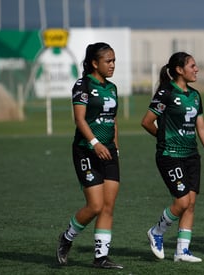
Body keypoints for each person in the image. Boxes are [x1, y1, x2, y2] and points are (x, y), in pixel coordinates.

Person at [141, 52, 204, 263]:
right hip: (170, 155)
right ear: (179, 70)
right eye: (192, 65)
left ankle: (182, 251)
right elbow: (147, 121)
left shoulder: (195, 95)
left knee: (191, 203)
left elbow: (201, 127)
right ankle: (157, 231)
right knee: (182, 201)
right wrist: (163, 137)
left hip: (192, 156)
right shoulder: (166, 92)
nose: (197, 69)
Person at [56, 42, 123, 269]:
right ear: (95, 63)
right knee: (95, 205)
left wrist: (116, 147)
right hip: (86, 150)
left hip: (109, 151)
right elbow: (80, 120)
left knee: (108, 206)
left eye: (114, 60)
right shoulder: (82, 85)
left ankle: (101, 257)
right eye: (108, 61)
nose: (113, 65)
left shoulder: (112, 88)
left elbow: (112, 121)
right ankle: (66, 238)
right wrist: (95, 144)